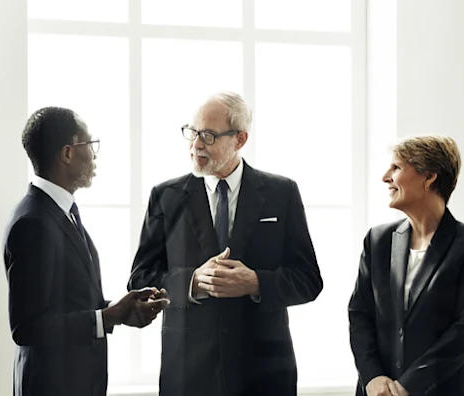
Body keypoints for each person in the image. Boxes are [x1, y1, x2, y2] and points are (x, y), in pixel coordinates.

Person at [127, 92, 323, 395]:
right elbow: (139, 280)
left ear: (240, 139)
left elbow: (309, 280)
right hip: (188, 374)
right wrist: (193, 282)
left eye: (207, 135)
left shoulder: (281, 193)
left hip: (265, 374)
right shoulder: (165, 196)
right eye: (192, 133)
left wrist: (256, 283)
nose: (195, 145)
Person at [5, 107, 169, 396]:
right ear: (67, 154)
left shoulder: (64, 210)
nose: (94, 155)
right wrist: (107, 317)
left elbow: (66, 303)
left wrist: (121, 311)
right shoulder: (32, 222)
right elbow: (27, 327)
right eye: (90, 145)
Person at [350, 135, 464, 396]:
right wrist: (372, 376)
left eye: (396, 168)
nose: (385, 177)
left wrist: (409, 385)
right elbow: (359, 314)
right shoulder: (377, 240)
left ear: (429, 177)